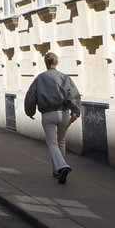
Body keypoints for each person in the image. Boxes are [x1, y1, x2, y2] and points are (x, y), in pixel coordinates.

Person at [24, 51, 82, 184]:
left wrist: (30, 112)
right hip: (64, 113)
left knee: (51, 143)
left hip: (48, 114)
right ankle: (57, 170)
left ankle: (61, 167)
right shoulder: (64, 77)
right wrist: (75, 112)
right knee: (61, 141)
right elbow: (73, 94)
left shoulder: (39, 78)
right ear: (56, 62)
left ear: (46, 62)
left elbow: (30, 97)